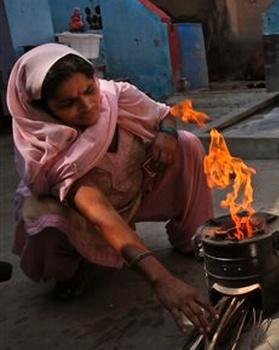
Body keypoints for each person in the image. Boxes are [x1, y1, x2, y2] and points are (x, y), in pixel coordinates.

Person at [6, 43, 216, 334]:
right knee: (41, 214)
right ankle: (68, 270)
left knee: (186, 143)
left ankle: (190, 237)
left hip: (134, 187)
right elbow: (99, 211)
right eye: (68, 103)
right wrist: (161, 279)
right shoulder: (44, 146)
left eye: (89, 90)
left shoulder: (116, 96)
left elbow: (163, 114)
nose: (88, 106)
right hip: (81, 216)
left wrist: (166, 134)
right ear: (42, 108)